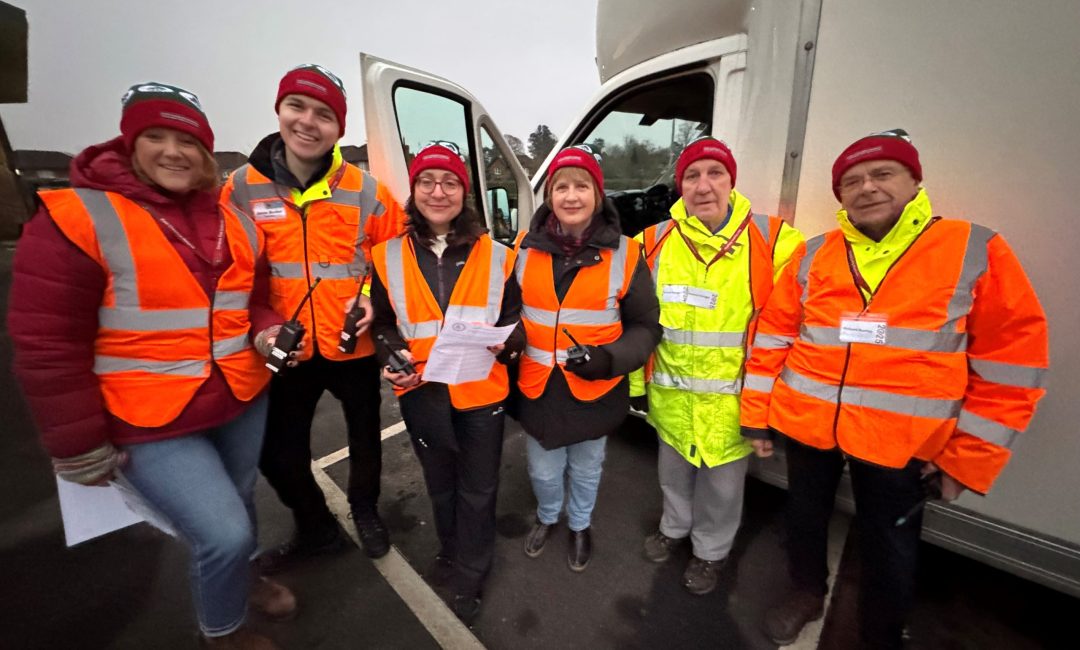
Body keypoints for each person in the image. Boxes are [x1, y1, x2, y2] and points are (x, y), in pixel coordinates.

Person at [8, 82, 295, 648]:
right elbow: (47, 343)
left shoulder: (233, 219)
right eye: (155, 137)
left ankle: (244, 577)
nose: (172, 152)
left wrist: (264, 332)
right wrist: (76, 443)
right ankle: (224, 631)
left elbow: (254, 298)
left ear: (206, 152)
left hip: (238, 395)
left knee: (237, 502)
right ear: (129, 143)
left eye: (187, 140)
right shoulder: (77, 217)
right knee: (223, 530)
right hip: (147, 415)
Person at [741, 129, 1049, 648]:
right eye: (852, 181)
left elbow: (1012, 363)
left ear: (914, 180)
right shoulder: (816, 254)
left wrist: (966, 459)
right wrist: (757, 414)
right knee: (803, 519)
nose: (867, 188)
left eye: (883, 174)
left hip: (903, 440)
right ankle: (804, 594)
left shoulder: (972, 249)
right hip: (809, 425)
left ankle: (880, 633)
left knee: (891, 542)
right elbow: (771, 337)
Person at [223, 64, 407, 571]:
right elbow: (238, 277)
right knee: (279, 455)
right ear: (279, 111)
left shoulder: (368, 190)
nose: (308, 122)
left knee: (365, 439)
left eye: (324, 114)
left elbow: (394, 261)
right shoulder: (240, 189)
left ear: (339, 129)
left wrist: (374, 297)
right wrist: (262, 329)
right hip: (289, 351)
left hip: (354, 346)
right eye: (297, 107)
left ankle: (365, 510)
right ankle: (315, 526)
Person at [631, 137, 804, 595]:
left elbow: (791, 330)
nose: (703, 186)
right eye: (692, 176)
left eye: (715, 174)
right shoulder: (653, 241)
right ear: (679, 186)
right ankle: (673, 529)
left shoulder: (775, 241)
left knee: (723, 492)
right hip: (672, 398)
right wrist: (633, 385)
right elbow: (631, 319)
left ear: (732, 182)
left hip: (734, 406)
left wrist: (770, 410)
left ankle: (710, 554)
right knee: (672, 476)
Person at [370, 142, 523, 625]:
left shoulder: (499, 255)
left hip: (482, 395)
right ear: (413, 192)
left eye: (450, 182)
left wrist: (511, 342)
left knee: (478, 488)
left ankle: (472, 572)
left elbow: (515, 318)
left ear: (465, 192)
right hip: (422, 392)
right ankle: (451, 547)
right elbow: (383, 324)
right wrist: (389, 353)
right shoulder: (386, 255)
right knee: (440, 485)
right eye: (427, 182)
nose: (439, 192)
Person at [515, 146, 660, 571]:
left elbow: (646, 327)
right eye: (561, 186)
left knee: (586, 467)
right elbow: (508, 311)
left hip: (595, 387)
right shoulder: (524, 249)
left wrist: (609, 359)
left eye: (582, 186)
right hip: (538, 387)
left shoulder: (627, 254)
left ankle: (579, 524)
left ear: (598, 195)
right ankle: (547, 516)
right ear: (549, 197)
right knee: (543, 471)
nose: (571, 196)